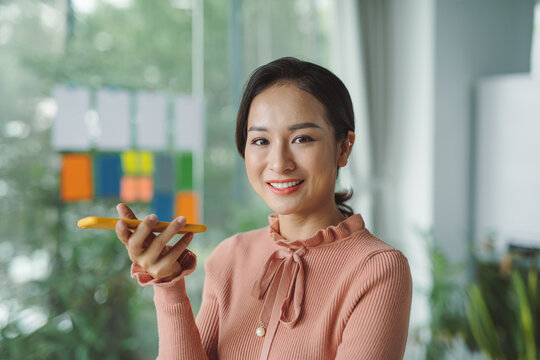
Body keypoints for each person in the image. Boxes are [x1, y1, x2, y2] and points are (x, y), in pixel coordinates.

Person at [115, 57, 412, 360]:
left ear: (343, 147)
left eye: (302, 138)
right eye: (260, 140)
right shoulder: (229, 257)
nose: (279, 163)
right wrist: (167, 284)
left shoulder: (377, 268)